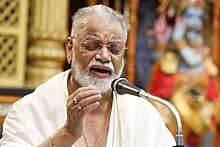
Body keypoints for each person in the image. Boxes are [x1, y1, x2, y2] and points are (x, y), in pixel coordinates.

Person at [0, 5, 175, 147]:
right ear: (70, 48)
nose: (104, 57)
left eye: (114, 49)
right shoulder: (30, 110)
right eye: (92, 45)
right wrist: (67, 134)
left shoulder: (143, 114)